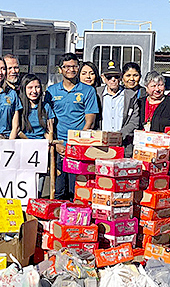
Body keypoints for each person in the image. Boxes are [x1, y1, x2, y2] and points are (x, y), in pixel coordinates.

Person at [45, 53, 99, 200]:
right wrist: (55, 145)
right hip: (58, 147)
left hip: (79, 148)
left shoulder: (88, 91)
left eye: (74, 66)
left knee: (77, 191)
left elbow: (90, 122)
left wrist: (75, 145)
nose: (71, 69)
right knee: (59, 191)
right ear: (60, 69)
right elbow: (48, 121)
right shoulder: (51, 91)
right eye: (67, 66)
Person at [96, 61, 137, 133]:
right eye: (109, 77)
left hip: (123, 141)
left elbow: (134, 122)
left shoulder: (131, 96)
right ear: (103, 78)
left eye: (116, 76)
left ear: (121, 77)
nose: (113, 79)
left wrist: (120, 135)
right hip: (101, 140)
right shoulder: (96, 94)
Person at [18, 73, 54, 141]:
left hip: (42, 145)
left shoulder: (46, 107)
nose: (34, 91)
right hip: (24, 144)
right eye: (30, 88)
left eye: (37, 87)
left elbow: (50, 132)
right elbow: (17, 131)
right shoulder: (19, 107)